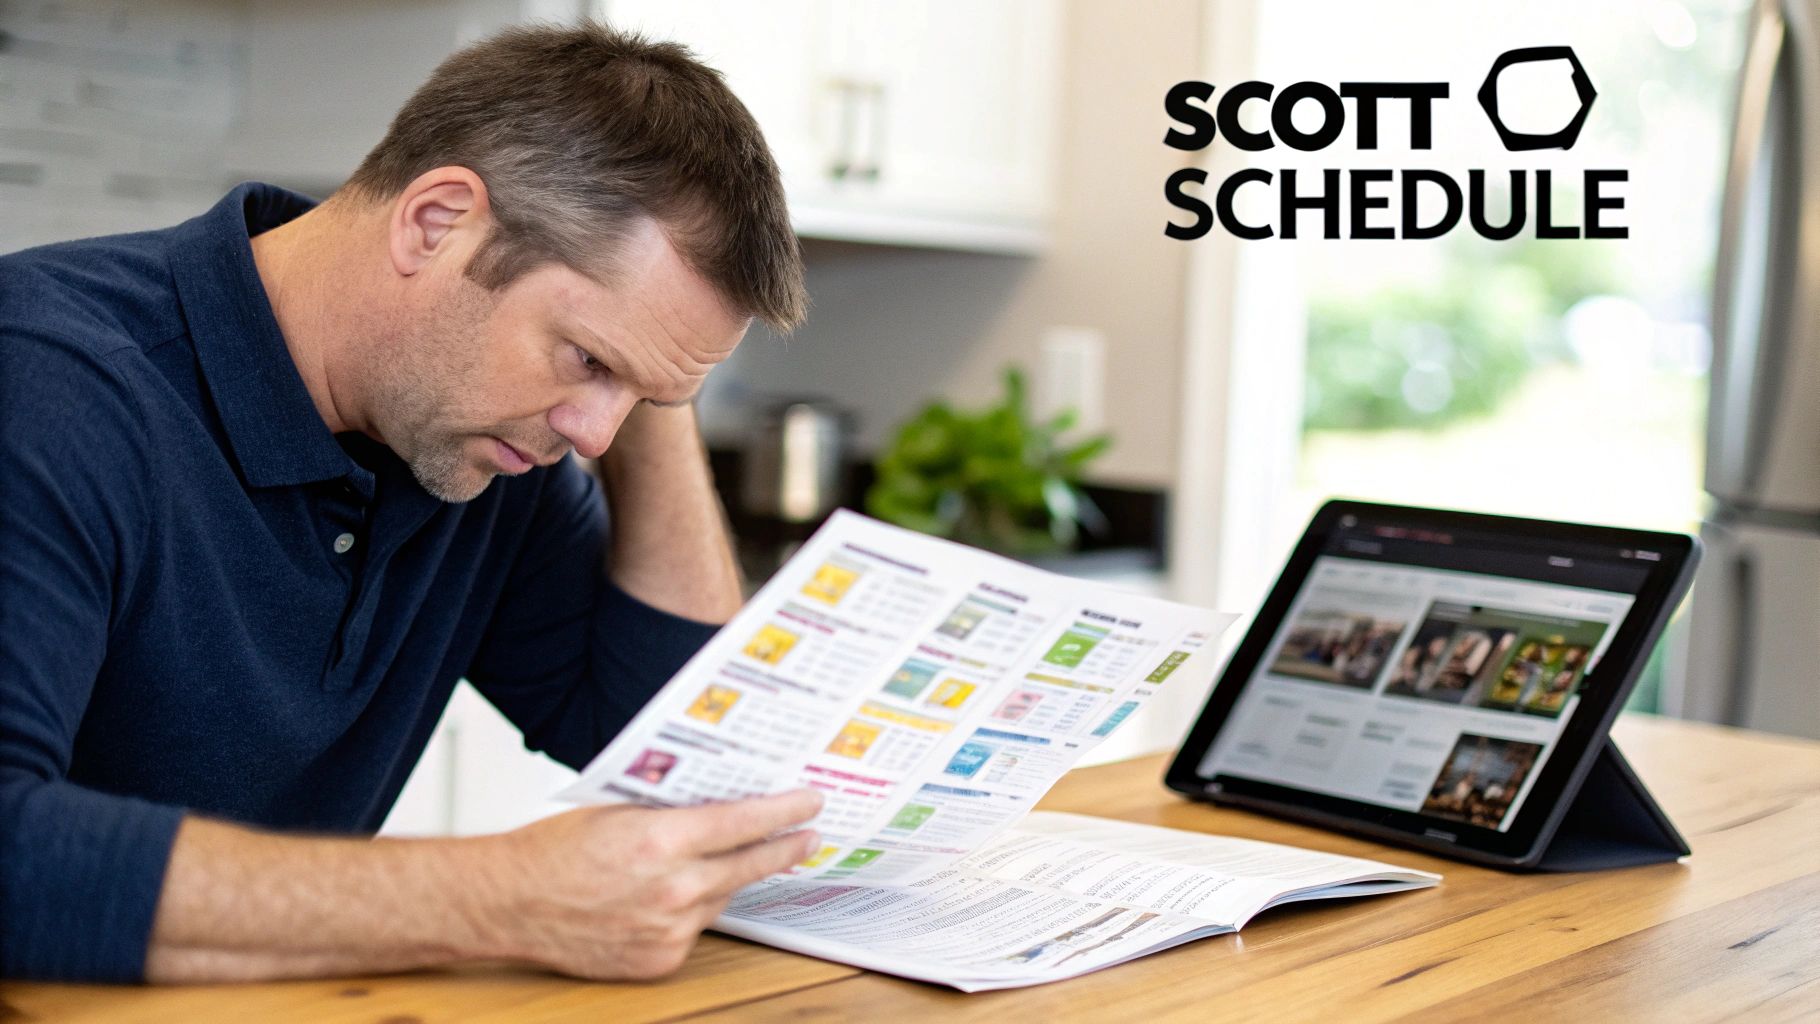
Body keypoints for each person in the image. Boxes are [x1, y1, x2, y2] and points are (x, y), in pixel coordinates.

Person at [0, 24, 823, 984]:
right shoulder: (49, 383)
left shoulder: (480, 450)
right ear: (436, 223)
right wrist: (499, 896)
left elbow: (672, 746)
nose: (596, 437)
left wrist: (648, 384)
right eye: (589, 358)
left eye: (640, 397)